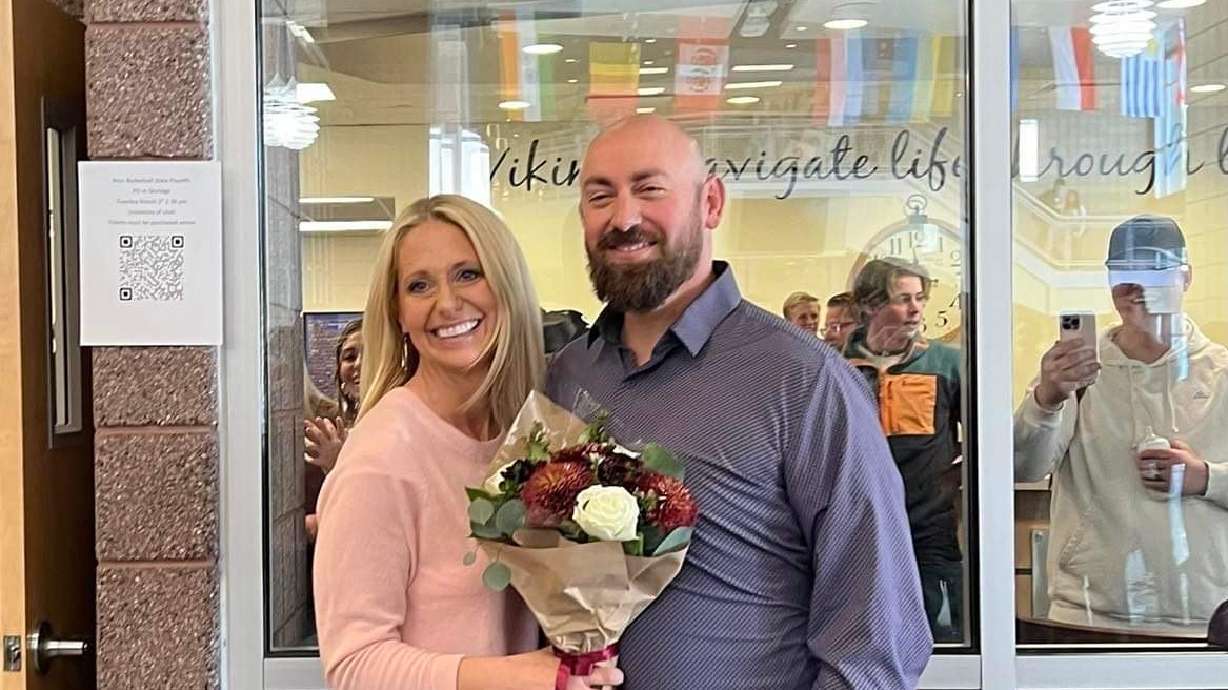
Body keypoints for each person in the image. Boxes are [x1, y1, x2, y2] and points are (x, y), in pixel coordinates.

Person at [548, 115, 931, 690]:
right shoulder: (569, 375)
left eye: (650, 189)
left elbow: (876, 637)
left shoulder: (804, 380)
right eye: (600, 196)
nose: (623, 218)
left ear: (711, 203)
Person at [313, 195, 621, 690]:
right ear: (398, 313)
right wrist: (518, 676)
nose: (447, 303)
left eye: (468, 274)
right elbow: (354, 665)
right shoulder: (382, 456)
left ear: (505, 285)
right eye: (419, 285)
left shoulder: (530, 436)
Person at [1015, 215, 1228, 635]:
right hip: (1087, 611)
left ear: (1185, 277)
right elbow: (1024, 468)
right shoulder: (1078, 370)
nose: (1137, 288)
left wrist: (1205, 478)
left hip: (1203, 612)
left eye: (1156, 271)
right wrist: (1047, 399)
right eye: (1125, 273)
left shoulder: (1221, 372)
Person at [842, 259, 964, 642]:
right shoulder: (837, 368)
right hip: (858, 530)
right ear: (870, 305)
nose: (915, 309)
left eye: (920, 298)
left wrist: (952, 477)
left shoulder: (947, 364)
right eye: (903, 299)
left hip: (930, 531)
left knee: (940, 635)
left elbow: (983, 439)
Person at [305, 318, 363, 540]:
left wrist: (337, 465)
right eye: (349, 357)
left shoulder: (399, 423)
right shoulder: (332, 421)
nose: (359, 364)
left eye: (371, 355)